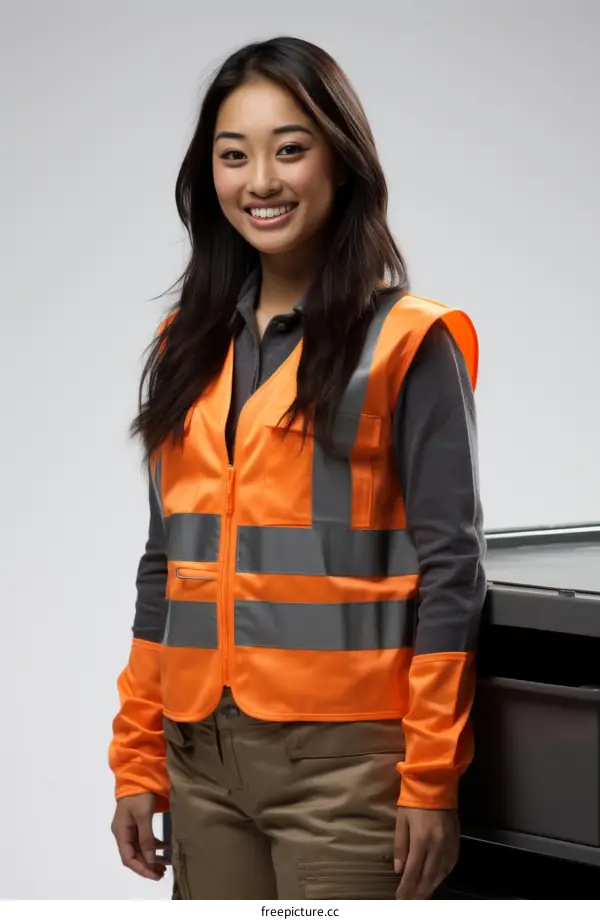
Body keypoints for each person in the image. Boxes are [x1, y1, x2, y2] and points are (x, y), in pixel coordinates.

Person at [108, 35, 486, 901]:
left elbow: (452, 574)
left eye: (290, 149)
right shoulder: (187, 346)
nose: (261, 182)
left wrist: (429, 777)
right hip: (202, 758)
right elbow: (166, 566)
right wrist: (138, 757)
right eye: (233, 156)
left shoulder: (407, 342)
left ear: (341, 162)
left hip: (345, 773)